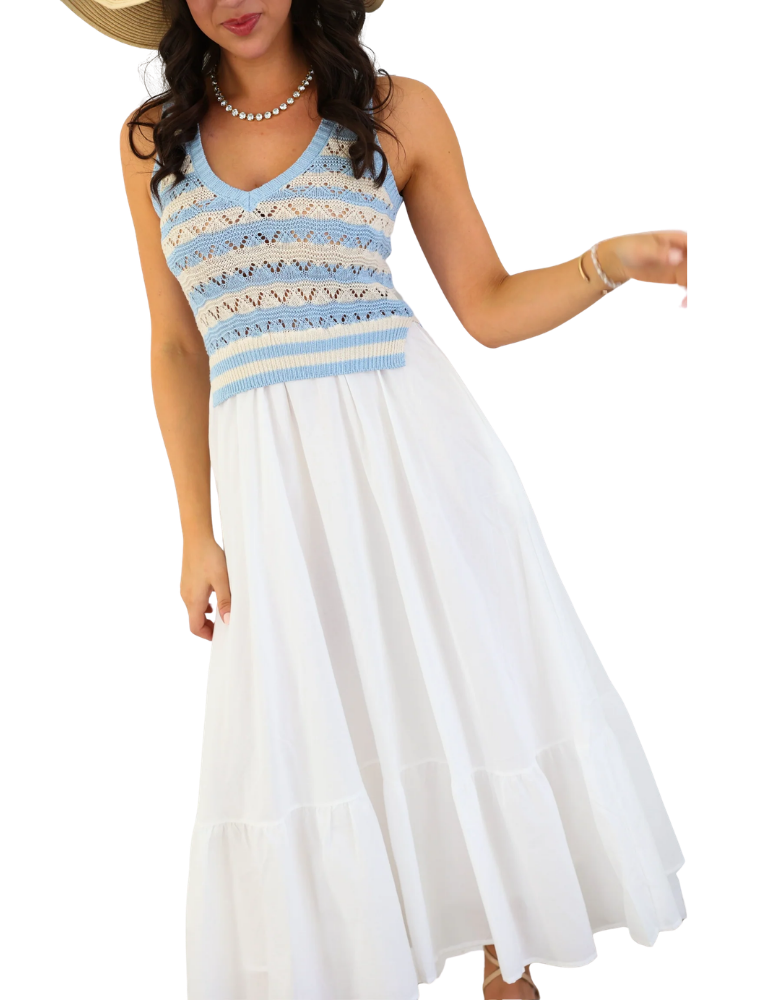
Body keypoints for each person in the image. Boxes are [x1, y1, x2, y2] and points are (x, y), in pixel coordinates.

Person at [64, 1, 689, 997]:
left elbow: (485, 306)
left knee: (467, 696)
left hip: (422, 467)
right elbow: (176, 345)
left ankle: (509, 959)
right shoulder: (149, 139)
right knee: (316, 726)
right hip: (274, 498)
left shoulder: (399, 108)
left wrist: (607, 262)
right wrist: (194, 531)